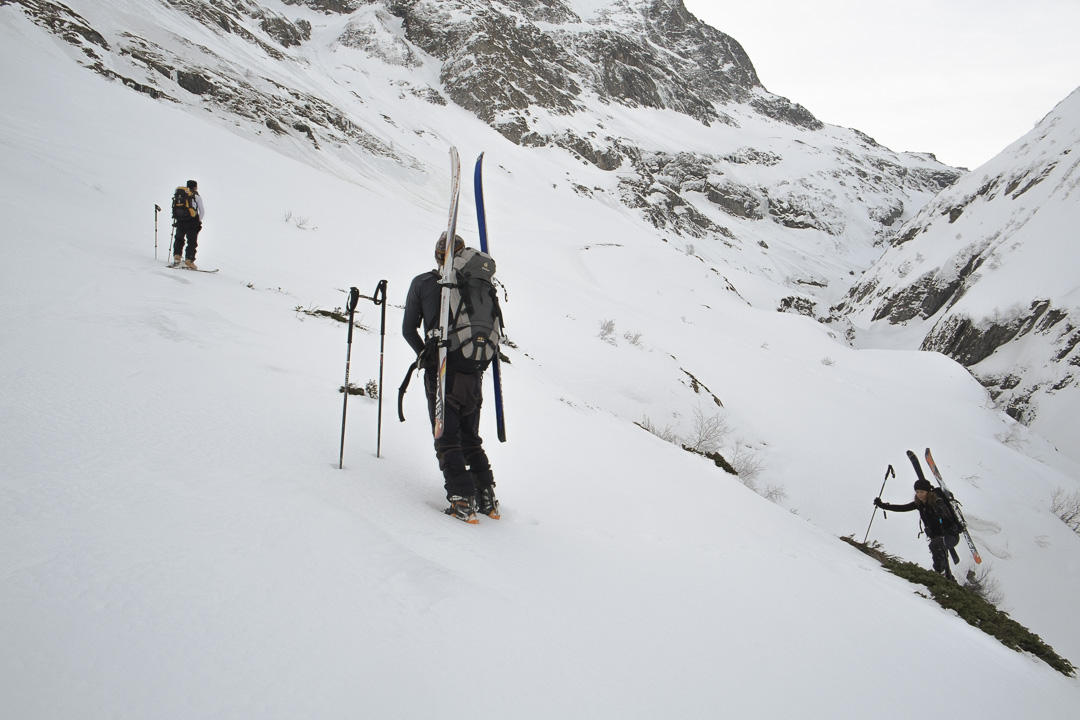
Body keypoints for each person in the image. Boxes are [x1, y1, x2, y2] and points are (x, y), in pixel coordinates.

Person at [402, 232, 498, 524]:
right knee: (471, 438)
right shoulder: (479, 286)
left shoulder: (424, 282)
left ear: (437, 255)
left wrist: (428, 356)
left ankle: (461, 500)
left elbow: (409, 330)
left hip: (442, 373)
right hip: (474, 371)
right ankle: (487, 498)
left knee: (447, 439)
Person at [875, 479, 961, 580]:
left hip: (951, 536)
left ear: (928, 492)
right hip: (938, 537)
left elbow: (948, 518)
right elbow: (902, 508)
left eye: (922, 492)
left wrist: (941, 515)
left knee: (935, 546)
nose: (919, 494)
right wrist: (883, 505)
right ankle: (947, 578)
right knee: (939, 550)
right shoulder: (919, 504)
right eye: (917, 492)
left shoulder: (937, 502)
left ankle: (939, 573)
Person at [172, 179, 206, 269]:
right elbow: (202, 211)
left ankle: (177, 256)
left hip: (180, 220)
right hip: (192, 222)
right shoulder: (196, 196)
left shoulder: (181, 195)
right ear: (195, 187)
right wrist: (198, 220)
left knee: (179, 238)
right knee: (191, 242)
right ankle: (189, 260)